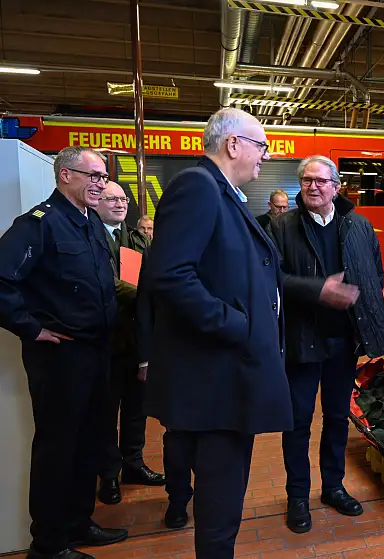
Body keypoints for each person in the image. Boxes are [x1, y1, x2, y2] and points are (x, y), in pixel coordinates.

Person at [142, 107, 292, 559]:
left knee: (220, 498)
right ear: (233, 145)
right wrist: (238, 326)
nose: (264, 158)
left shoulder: (221, 193)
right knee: (220, 501)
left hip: (221, 376)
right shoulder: (198, 187)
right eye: (261, 147)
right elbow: (170, 277)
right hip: (217, 380)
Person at [0, 146, 128, 559]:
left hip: (96, 352)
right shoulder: (39, 224)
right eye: (91, 175)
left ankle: (77, 522)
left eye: (103, 176)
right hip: (61, 358)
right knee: (58, 448)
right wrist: (31, 328)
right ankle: (49, 544)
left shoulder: (90, 225)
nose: (100, 183)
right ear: (65, 176)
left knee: (89, 442)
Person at [267, 155, 384, 534]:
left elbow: (374, 273)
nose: (313, 187)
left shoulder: (357, 225)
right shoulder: (281, 228)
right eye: (307, 181)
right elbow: (272, 279)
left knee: (339, 418)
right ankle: (297, 497)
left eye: (321, 181)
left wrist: (370, 325)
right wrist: (318, 291)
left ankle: (333, 488)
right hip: (303, 343)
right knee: (298, 423)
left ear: (337, 187)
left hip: (344, 342)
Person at [96, 182, 165, 506]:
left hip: (136, 339)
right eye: (112, 198)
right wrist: (144, 295)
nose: (120, 204)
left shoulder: (137, 240)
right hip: (103, 340)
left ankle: (133, 465)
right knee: (106, 413)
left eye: (123, 199)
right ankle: (108, 475)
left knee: (137, 409)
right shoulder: (89, 236)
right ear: (97, 202)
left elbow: (149, 281)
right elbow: (104, 285)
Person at [135, 239, 193, 530]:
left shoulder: (229, 242)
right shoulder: (157, 251)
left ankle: (209, 497)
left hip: (218, 358)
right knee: (176, 435)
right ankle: (178, 499)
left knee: (213, 437)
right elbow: (144, 304)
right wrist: (145, 359)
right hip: (172, 356)